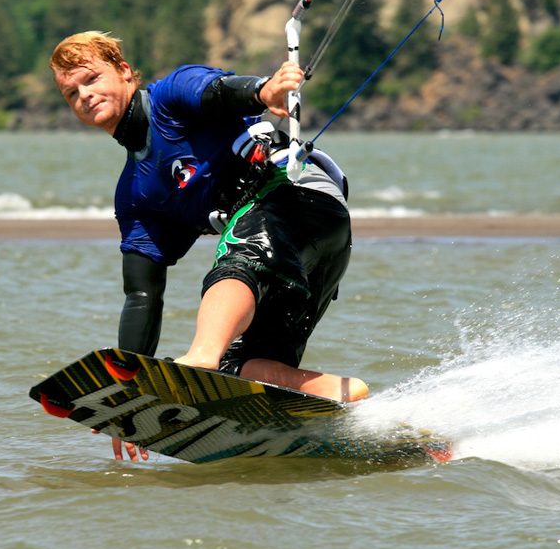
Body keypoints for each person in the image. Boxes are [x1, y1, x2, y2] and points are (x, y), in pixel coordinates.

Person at [50, 31, 368, 460]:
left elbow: (222, 93)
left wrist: (264, 90)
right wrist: (130, 396)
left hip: (299, 199)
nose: (84, 95)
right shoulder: (136, 195)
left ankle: (201, 354)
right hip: (310, 255)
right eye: (71, 93)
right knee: (242, 371)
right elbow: (142, 294)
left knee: (235, 263)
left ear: (124, 72)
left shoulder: (170, 95)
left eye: (91, 79)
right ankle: (343, 398)